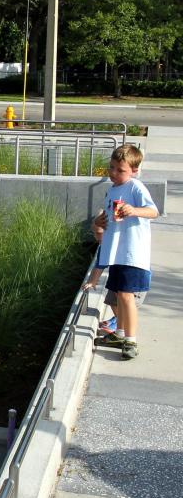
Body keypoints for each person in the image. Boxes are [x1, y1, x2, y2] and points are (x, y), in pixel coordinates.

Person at [89, 144, 158, 359]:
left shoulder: (135, 187)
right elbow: (108, 219)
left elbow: (153, 211)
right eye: (111, 168)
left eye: (120, 170)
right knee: (118, 295)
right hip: (117, 252)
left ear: (134, 171)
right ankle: (119, 333)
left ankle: (131, 340)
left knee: (127, 296)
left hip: (132, 252)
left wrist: (133, 210)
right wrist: (98, 221)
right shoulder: (113, 190)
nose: (114, 173)